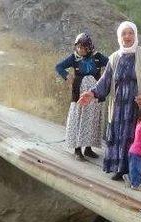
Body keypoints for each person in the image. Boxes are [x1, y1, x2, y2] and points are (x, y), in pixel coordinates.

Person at [79, 21, 141, 180]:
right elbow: (105, 81)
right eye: (124, 33)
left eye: (131, 33)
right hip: (119, 107)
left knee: (137, 137)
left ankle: (136, 170)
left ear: (135, 35)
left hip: (138, 106)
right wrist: (92, 93)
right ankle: (120, 168)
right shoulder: (114, 58)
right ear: (119, 37)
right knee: (120, 136)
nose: (127, 36)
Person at [56, 33, 109, 161]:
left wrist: (106, 79)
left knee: (92, 120)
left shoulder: (97, 57)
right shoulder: (74, 58)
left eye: (83, 47)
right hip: (79, 95)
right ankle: (77, 150)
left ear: (89, 47)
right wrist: (66, 75)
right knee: (78, 119)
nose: (80, 50)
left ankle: (88, 149)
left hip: (94, 96)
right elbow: (59, 66)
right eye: (78, 47)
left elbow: (111, 65)